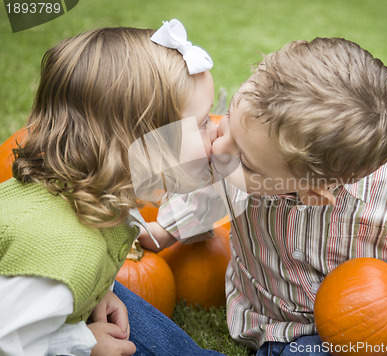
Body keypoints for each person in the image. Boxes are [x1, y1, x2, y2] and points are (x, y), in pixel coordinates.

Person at [140, 37, 387, 355]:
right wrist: (159, 233)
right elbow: (206, 196)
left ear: (313, 194)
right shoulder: (243, 155)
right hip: (290, 328)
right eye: (229, 117)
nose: (219, 145)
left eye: (243, 160)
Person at [0, 19, 224, 356]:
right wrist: (82, 344)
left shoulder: (88, 198)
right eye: (204, 123)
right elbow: (9, 341)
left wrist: (95, 290)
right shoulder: (66, 254)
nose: (216, 133)